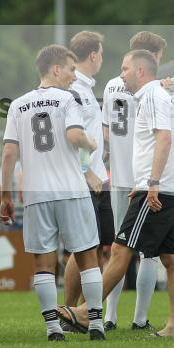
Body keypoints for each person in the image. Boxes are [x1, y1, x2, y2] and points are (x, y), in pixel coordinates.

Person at [60, 49, 174, 337]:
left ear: (141, 71)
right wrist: (144, 180)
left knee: (120, 249)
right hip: (163, 187)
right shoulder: (156, 96)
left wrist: (151, 182)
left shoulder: (154, 96)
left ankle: (86, 312)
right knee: (171, 257)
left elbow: (164, 139)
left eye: (125, 68)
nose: (121, 74)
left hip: (157, 190)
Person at [0, 44, 104, 342]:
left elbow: (8, 154)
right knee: (87, 258)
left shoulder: (18, 105)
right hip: (71, 190)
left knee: (43, 265)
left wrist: (6, 194)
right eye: (70, 69)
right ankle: (95, 325)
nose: (73, 76)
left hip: (37, 195)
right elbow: (73, 135)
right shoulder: (68, 99)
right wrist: (89, 143)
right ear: (55, 69)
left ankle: (53, 329)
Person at [101, 31, 167, 330]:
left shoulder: (112, 85)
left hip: (120, 177)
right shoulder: (157, 89)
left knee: (118, 246)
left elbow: (105, 133)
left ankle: (110, 315)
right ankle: (140, 319)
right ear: (154, 56)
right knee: (148, 251)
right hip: (146, 177)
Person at [62, 32, 113, 312]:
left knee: (97, 248)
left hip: (99, 176)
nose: (102, 58)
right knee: (84, 248)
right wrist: (85, 171)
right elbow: (75, 136)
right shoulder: (75, 90)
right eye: (101, 53)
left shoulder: (86, 88)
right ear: (93, 55)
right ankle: (68, 309)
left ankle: (83, 312)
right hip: (88, 179)